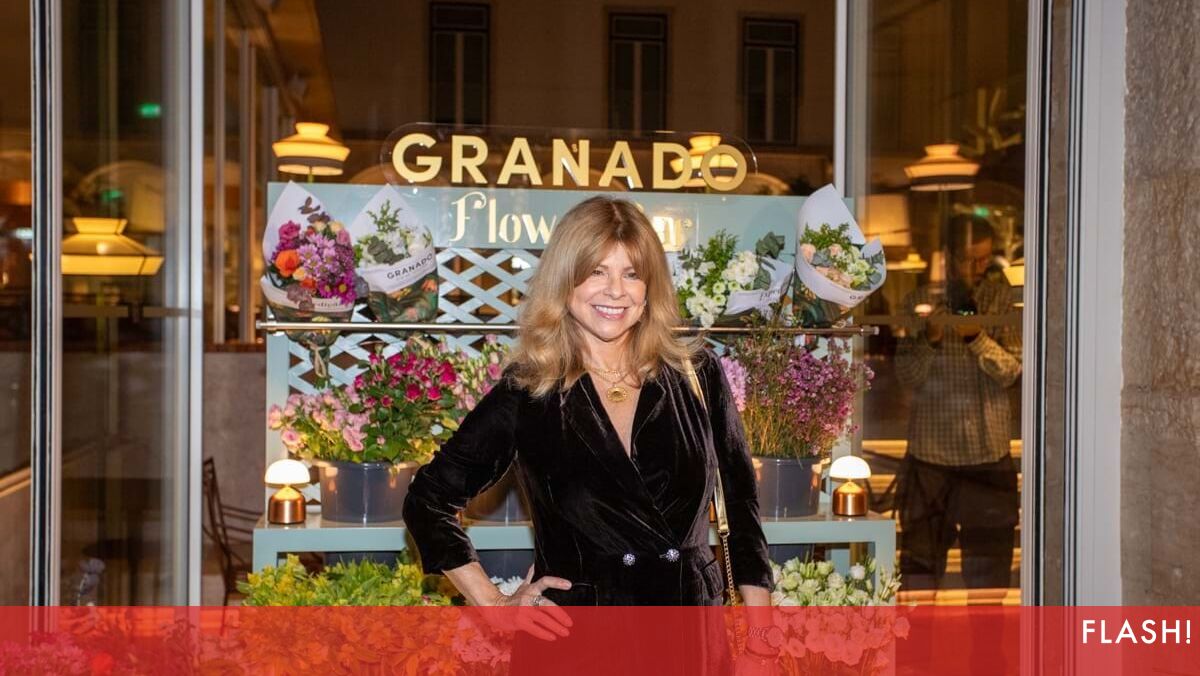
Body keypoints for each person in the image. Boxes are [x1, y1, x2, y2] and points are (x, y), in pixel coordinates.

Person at [403, 196, 778, 673]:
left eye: (632, 273)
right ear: (565, 281)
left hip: (691, 640)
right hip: (577, 645)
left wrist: (761, 645)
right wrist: (494, 606)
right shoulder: (529, 391)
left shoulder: (696, 375)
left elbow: (742, 512)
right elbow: (427, 501)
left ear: (650, 288)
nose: (616, 291)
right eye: (597, 271)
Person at [894, 214, 1022, 591]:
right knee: (919, 574)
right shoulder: (919, 302)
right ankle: (920, 634)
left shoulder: (1001, 300)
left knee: (990, 577)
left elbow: (1013, 372)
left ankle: (985, 635)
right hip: (931, 459)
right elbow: (906, 375)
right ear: (949, 258)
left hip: (989, 456)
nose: (979, 268)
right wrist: (930, 338)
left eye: (985, 258)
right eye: (970, 259)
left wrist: (976, 337)